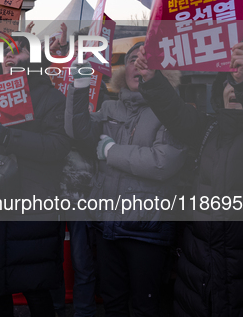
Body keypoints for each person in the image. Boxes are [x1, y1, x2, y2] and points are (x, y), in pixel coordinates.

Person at [135, 43, 243, 316]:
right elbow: (175, 112)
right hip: (203, 271)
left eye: (241, 83)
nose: (233, 89)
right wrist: (153, 78)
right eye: (228, 82)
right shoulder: (208, 129)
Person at [65, 42, 187, 316]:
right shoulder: (110, 108)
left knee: (145, 306)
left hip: (148, 231)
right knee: (113, 302)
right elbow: (77, 132)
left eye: (147, 59)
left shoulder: (172, 110)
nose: (138, 64)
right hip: (108, 227)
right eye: (133, 58)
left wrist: (111, 151)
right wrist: (79, 88)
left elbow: (162, 162)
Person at [0, 36, 71, 317]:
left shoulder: (51, 97)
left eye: (18, 50)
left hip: (31, 204)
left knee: (34, 286)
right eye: (6, 52)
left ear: (33, 56)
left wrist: (10, 136)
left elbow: (58, 146)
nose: (10, 56)